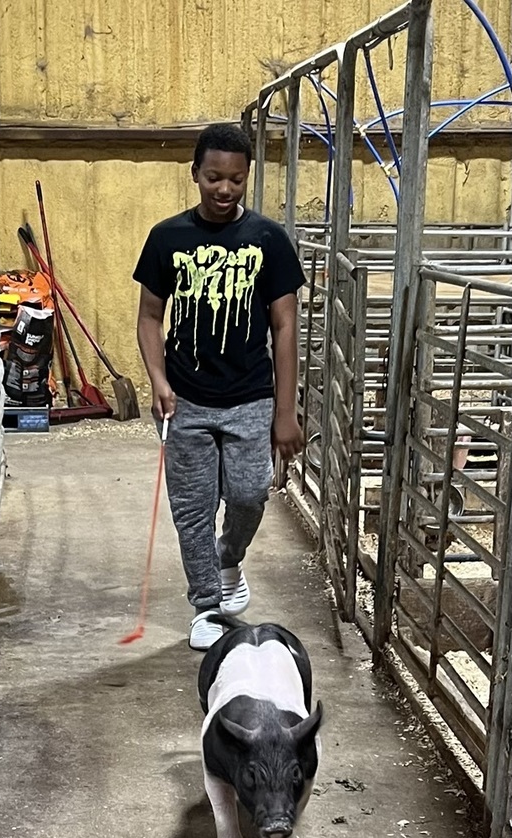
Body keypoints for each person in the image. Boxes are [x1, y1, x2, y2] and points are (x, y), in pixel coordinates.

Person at [133, 122, 304, 650]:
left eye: (235, 179)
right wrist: (158, 381)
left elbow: (285, 325)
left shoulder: (268, 240)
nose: (224, 189)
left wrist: (285, 411)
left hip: (250, 396)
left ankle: (229, 560)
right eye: (213, 178)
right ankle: (207, 605)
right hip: (185, 399)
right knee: (192, 511)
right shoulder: (167, 238)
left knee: (250, 494)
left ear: (247, 177)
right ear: (195, 174)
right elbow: (149, 317)